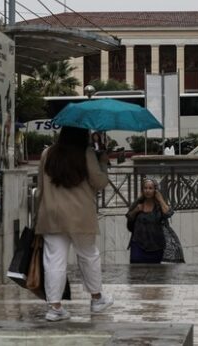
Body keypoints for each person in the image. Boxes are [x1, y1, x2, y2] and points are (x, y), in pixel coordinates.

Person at [35, 126, 113, 321]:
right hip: (80, 214)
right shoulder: (86, 153)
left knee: (54, 259)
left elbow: (41, 186)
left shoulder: (47, 153)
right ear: (82, 135)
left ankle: (54, 307)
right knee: (88, 254)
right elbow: (100, 182)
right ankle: (96, 299)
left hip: (51, 214)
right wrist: (102, 163)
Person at [126, 178, 173, 263]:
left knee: (156, 273)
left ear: (155, 190)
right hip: (138, 244)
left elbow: (168, 213)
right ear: (142, 190)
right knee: (136, 271)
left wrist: (160, 199)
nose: (147, 191)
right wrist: (136, 210)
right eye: (145, 188)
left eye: (150, 188)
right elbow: (129, 217)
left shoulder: (159, 206)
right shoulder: (138, 203)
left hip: (156, 246)